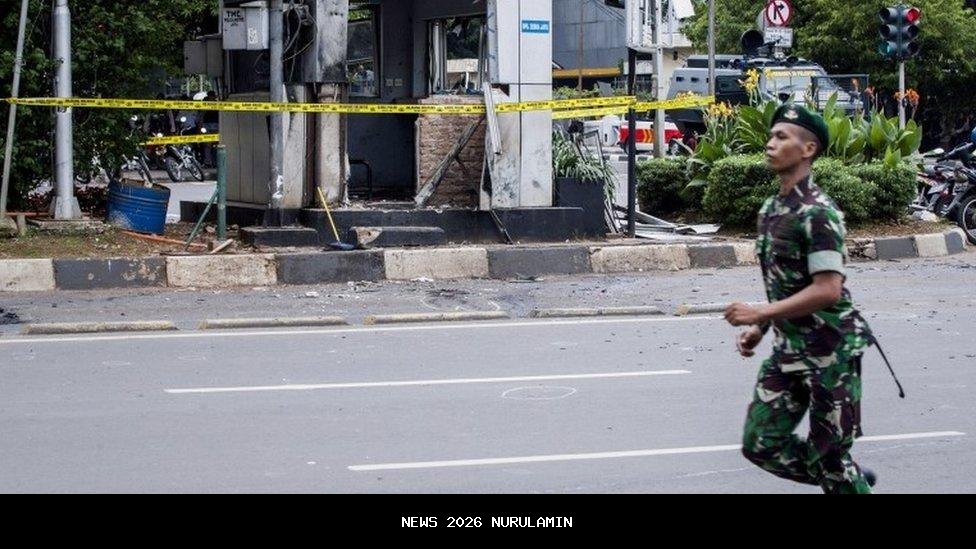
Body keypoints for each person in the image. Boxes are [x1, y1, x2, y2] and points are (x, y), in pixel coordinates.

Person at [723, 104, 878, 494]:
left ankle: (842, 478)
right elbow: (787, 283)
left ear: (807, 150)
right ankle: (846, 481)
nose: (770, 143)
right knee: (760, 444)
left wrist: (760, 311)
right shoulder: (772, 210)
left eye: (782, 137)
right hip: (789, 351)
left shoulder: (819, 213)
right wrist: (761, 327)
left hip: (831, 352)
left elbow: (828, 289)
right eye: (771, 135)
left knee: (829, 456)